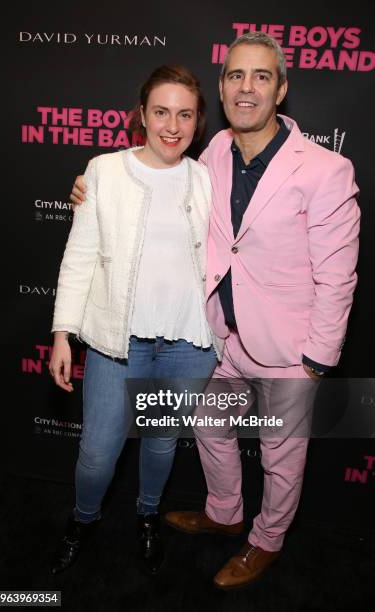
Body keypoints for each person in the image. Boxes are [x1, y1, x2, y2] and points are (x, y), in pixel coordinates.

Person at [70, 32, 360, 590]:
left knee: (280, 457)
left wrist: (315, 361)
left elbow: (337, 277)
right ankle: (225, 513)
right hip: (218, 336)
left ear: (281, 90)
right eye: (234, 76)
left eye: (260, 76)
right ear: (223, 88)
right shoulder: (212, 155)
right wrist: (89, 187)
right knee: (210, 427)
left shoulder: (325, 170)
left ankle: (267, 540)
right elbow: (150, 184)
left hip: (287, 350)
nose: (245, 87)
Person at [49, 64, 220, 576]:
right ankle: (83, 519)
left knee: (162, 442)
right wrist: (62, 333)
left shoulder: (207, 178)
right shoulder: (103, 171)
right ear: (141, 115)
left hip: (188, 343)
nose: (172, 125)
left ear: (198, 122)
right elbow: (80, 256)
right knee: (98, 454)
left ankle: (148, 513)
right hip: (115, 343)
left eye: (185, 114)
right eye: (162, 111)